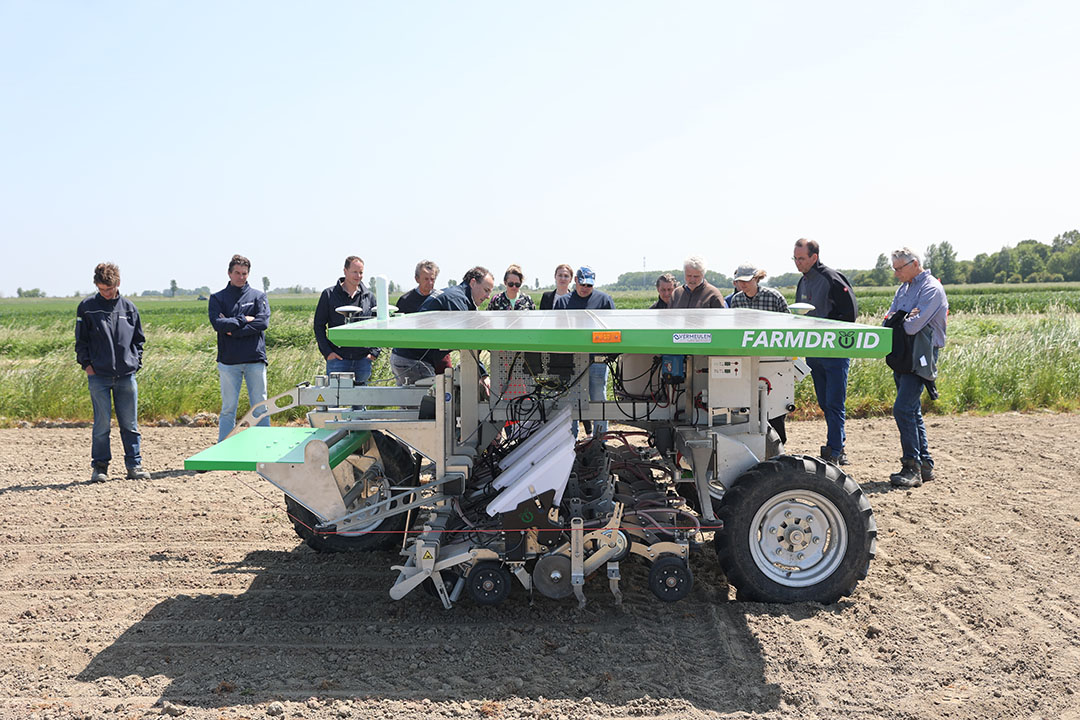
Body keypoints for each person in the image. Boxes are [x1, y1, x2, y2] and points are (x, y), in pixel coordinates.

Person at [75, 262, 149, 482]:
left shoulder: (129, 308)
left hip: (126, 376)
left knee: (130, 425)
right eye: (101, 289)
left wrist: (136, 362)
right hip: (98, 376)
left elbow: (139, 340)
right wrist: (87, 365)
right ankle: (100, 468)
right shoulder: (86, 308)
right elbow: (81, 341)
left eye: (109, 289)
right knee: (101, 424)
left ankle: (134, 466)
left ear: (118, 283)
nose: (106, 293)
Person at [884, 248, 948, 488]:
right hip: (903, 353)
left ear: (915, 263)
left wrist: (898, 319)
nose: (896, 273)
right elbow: (889, 319)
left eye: (900, 268)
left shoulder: (930, 288)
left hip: (921, 354)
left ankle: (911, 466)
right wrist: (900, 317)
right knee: (912, 410)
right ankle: (925, 465)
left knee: (902, 409)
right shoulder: (905, 288)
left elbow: (912, 326)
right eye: (894, 268)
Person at [794, 238, 858, 465]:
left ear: (814, 257)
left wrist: (828, 329)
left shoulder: (831, 279)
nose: (797, 263)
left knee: (834, 402)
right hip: (813, 352)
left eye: (801, 258)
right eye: (795, 258)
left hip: (833, 352)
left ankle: (836, 449)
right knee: (824, 401)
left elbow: (850, 313)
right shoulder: (802, 282)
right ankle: (836, 445)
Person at [390, 266, 495, 385]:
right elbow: (468, 342)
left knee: (415, 402)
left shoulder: (456, 296)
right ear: (473, 283)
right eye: (486, 290)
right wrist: (483, 374)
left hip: (406, 357)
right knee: (432, 402)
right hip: (413, 360)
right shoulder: (456, 300)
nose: (488, 297)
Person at [209, 254, 271, 442]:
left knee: (260, 406)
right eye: (237, 273)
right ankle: (224, 447)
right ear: (229, 273)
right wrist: (243, 319)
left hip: (255, 360)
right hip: (229, 362)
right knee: (228, 408)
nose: (241, 277)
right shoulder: (217, 298)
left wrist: (234, 330)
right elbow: (218, 324)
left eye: (244, 273)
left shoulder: (258, 296)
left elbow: (262, 322)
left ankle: (264, 446)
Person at [728, 263, 791, 443]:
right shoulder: (736, 301)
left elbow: (788, 325)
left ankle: (779, 441)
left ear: (756, 279)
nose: (742, 285)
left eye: (746, 281)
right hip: (748, 358)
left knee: (775, 401)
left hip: (773, 358)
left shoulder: (773, 297)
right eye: (739, 281)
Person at [554, 267, 616, 438]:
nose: (585, 288)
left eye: (589, 285)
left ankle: (600, 438)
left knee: (598, 398)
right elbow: (557, 333)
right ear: (576, 281)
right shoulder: (563, 302)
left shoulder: (604, 300)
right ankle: (570, 440)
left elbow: (614, 329)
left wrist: (610, 355)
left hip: (597, 360)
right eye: (582, 284)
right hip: (571, 362)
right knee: (571, 401)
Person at [314, 256, 380, 384]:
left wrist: (374, 353)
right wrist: (328, 353)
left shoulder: (369, 297)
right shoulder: (329, 295)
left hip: (363, 360)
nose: (358, 276)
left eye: (361, 272)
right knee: (336, 400)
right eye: (354, 272)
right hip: (338, 359)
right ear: (345, 271)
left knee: (360, 401)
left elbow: (378, 324)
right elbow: (319, 326)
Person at [392, 260, 451, 376]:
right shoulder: (405, 301)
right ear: (417, 279)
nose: (430, 283)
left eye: (432, 279)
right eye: (426, 279)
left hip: (439, 355)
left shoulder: (441, 299)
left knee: (448, 387)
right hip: (415, 357)